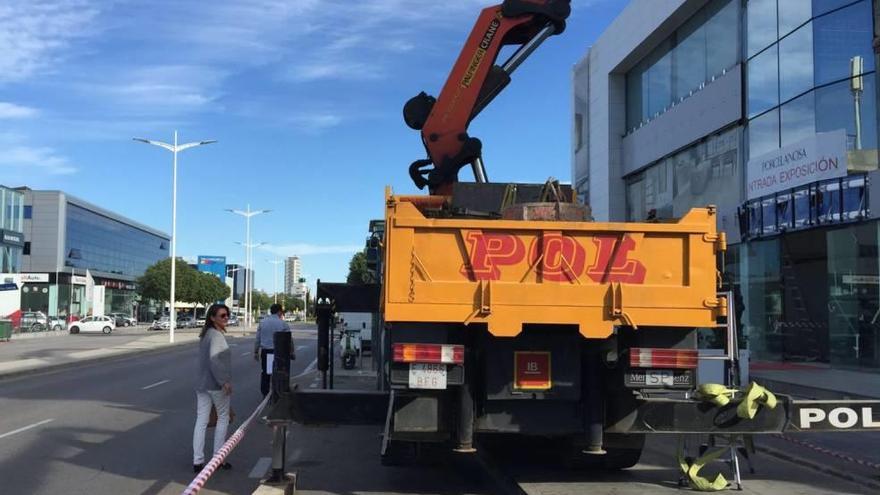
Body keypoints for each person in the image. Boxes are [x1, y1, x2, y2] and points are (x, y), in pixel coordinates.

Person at [192, 303, 233, 473]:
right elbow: (215, 360)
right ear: (212, 318)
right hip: (215, 384)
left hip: (202, 384)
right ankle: (218, 458)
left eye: (227, 315)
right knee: (223, 417)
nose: (226, 318)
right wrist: (224, 381)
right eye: (222, 315)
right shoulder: (216, 336)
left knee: (201, 421)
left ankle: (197, 460)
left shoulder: (205, 335)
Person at [254, 303, 293, 396]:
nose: (282, 314)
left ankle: (265, 392)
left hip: (266, 351)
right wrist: (292, 352)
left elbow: (257, 339)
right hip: (279, 352)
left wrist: (256, 352)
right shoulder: (283, 323)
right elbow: (289, 340)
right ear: (279, 311)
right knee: (280, 372)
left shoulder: (262, 322)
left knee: (266, 373)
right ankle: (279, 391)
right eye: (281, 312)